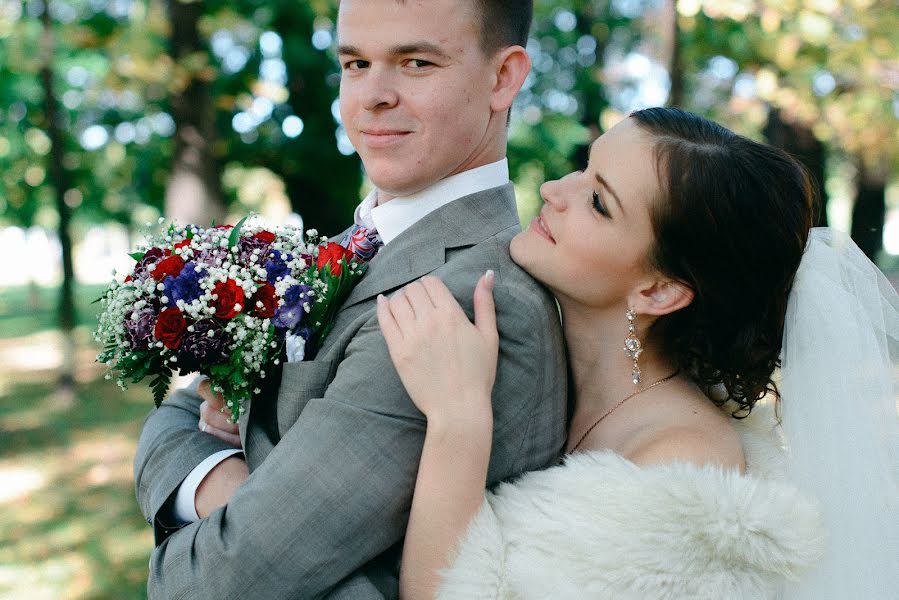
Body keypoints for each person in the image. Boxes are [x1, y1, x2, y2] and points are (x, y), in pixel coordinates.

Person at [132, 1, 568, 597]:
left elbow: (218, 580)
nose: (373, 96)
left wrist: (236, 501)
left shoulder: (467, 296)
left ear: (503, 78)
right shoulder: (339, 250)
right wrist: (229, 486)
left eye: (415, 63)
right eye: (356, 63)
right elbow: (177, 414)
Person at [377, 108, 899, 598]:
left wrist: (458, 421)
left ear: (658, 291)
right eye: (584, 169)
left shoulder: (687, 473)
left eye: (599, 203)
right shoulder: (538, 366)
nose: (556, 190)